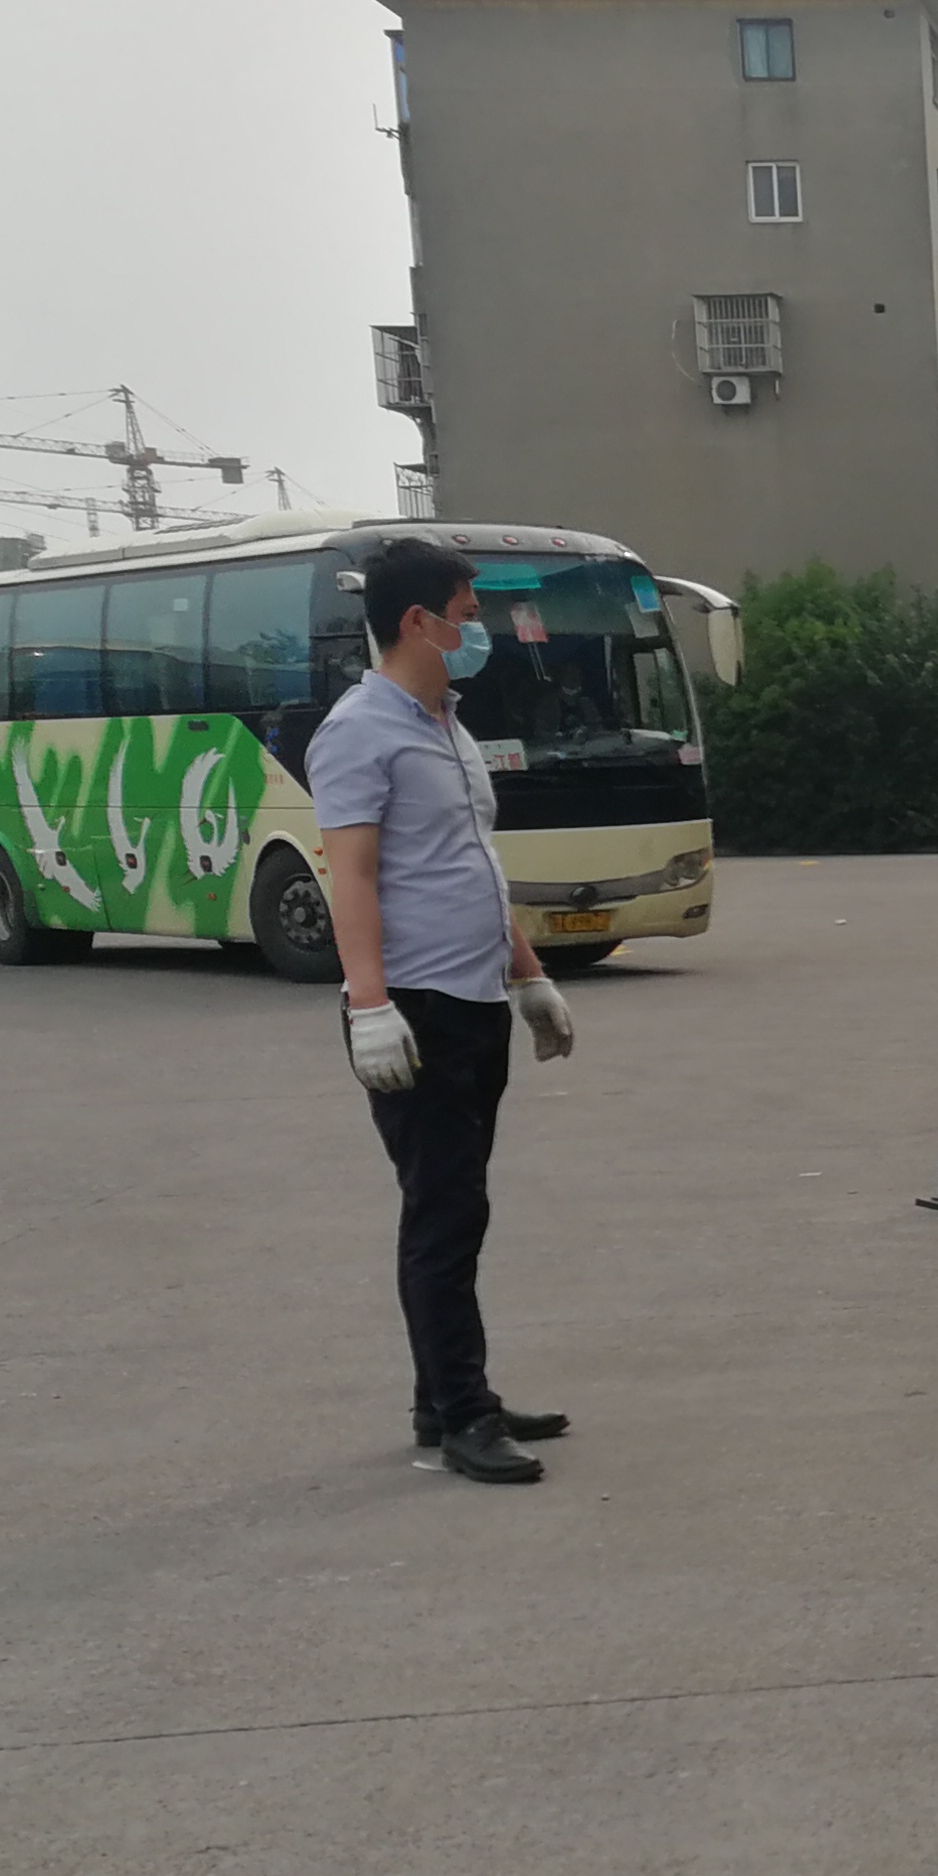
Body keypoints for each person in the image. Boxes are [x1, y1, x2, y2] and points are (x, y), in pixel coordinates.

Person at [309, 536, 579, 1486]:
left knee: (460, 1206)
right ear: (417, 621)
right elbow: (351, 876)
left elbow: (472, 864)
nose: (478, 630)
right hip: (414, 1006)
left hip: (474, 999)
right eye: (466, 616)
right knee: (443, 1212)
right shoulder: (359, 731)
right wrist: (371, 1006)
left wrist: (529, 977)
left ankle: (448, 1393)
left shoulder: (448, 725)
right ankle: (462, 1415)